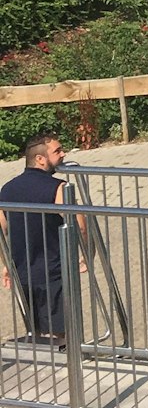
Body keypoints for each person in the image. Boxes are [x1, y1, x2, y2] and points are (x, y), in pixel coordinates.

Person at [0, 133, 81, 344]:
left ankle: (42, 364)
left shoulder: (7, 189)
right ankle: (65, 367)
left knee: (34, 329)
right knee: (60, 333)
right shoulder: (58, 188)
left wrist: (7, 264)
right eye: (57, 151)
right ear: (40, 159)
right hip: (53, 270)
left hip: (23, 272)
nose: (63, 154)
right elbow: (80, 226)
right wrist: (86, 254)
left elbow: (0, 232)